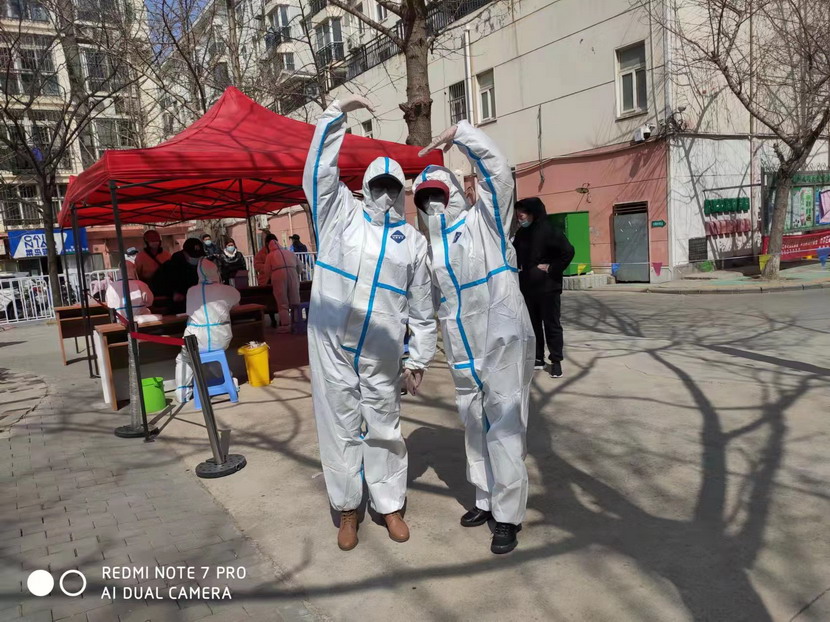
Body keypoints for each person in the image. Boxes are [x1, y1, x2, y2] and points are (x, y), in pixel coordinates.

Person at [303, 95, 436, 552]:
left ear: (400, 190)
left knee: (384, 426)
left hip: (382, 348)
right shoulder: (339, 214)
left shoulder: (412, 242)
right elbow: (318, 173)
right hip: (331, 342)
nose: (383, 193)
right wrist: (334, 116)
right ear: (364, 186)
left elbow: (422, 306)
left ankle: (389, 504)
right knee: (338, 425)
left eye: (390, 186)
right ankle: (347, 509)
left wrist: (418, 357)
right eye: (376, 185)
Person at [415, 121, 536, 555]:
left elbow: (498, 173)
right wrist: (417, 357)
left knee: (505, 426)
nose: (433, 204)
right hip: (462, 349)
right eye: (424, 199)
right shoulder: (432, 250)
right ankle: (485, 499)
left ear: (454, 193)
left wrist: (463, 136)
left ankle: (508, 516)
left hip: (502, 339)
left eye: (438, 195)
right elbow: (424, 306)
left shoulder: (486, 221)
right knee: (473, 424)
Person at [513, 197, 575, 379]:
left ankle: (556, 361)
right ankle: (537, 357)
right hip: (528, 288)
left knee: (551, 325)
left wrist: (552, 268)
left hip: (548, 288)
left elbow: (568, 251)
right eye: (518, 214)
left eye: (523, 213)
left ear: (534, 212)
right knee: (532, 325)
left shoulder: (550, 231)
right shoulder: (521, 234)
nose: (520, 216)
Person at [175, 259, 241, 403]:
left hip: (195, 340)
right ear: (217, 272)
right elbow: (236, 304)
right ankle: (228, 380)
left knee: (184, 358)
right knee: (215, 355)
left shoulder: (191, 291)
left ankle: (182, 392)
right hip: (221, 338)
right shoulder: (228, 290)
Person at [152, 237, 205, 306]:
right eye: (193, 256)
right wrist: (173, 293)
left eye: (199, 256)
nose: (196, 259)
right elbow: (157, 286)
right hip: (177, 306)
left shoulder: (204, 265)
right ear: (184, 253)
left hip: (199, 302)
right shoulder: (170, 267)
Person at [263, 239, 301, 333]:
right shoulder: (290, 253)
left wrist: (269, 278)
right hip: (292, 273)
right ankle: (297, 321)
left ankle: (285, 324)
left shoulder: (270, 256)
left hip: (278, 276)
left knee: (282, 301)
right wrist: (297, 273)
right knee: (295, 299)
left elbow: (267, 271)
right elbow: (300, 266)